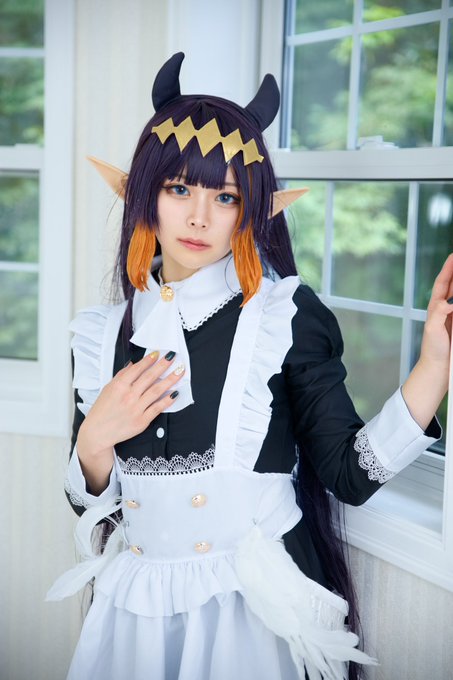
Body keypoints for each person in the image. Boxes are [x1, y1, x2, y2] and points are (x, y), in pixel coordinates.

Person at [47, 52, 451, 680]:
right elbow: (92, 503)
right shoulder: (102, 335)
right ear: (144, 193)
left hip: (253, 617)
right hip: (136, 618)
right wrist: (94, 440)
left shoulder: (283, 317)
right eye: (179, 189)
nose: (199, 217)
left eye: (226, 196)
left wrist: (432, 365)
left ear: (253, 208)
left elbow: (349, 475)